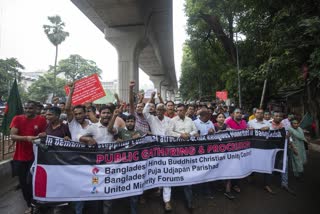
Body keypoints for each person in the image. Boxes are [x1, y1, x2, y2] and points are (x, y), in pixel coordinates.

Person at [10, 100, 47, 214]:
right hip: (20, 157)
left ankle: (37, 203)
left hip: (35, 157)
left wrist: (43, 135)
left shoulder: (41, 120)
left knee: (33, 182)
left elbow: (45, 135)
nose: (27, 110)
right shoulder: (17, 118)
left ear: (36, 109)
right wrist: (26, 138)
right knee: (24, 184)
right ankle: (30, 205)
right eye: (26, 108)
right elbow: (13, 136)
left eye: (30, 108)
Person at [108, 110, 144, 214]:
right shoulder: (121, 131)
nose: (130, 123)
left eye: (132, 121)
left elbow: (148, 140)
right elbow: (110, 129)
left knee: (133, 191)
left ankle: (134, 210)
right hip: (122, 166)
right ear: (125, 122)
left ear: (135, 122)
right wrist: (114, 116)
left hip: (135, 166)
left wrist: (140, 138)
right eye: (128, 121)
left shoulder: (139, 132)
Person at [143, 92, 173, 211]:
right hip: (154, 152)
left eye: (162, 109)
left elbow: (171, 134)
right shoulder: (152, 119)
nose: (160, 111)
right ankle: (154, 191)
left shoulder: (169, 121)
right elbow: (145, 111)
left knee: (167, 174)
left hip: (167, 151)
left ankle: (167, 201)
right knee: (153, 172)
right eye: (158, 109)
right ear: (155, 110)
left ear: (164, 110)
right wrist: (151, 99)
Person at [168, 103, 199, 210]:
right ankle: (171, 199)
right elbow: (169, 132)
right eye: (178, 110)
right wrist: (180, 135)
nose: (179, 112)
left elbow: (195, 130)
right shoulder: (173, 121)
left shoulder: (190, 120)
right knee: (174, 173)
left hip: (188, 151)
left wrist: (189, 134)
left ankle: (189, 202)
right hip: (176, 151)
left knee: (188, 175)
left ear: (185, 111)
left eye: (181, 110)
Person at [248, 108, 274, 194]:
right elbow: (246, 134)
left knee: (267, 164)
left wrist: (269, 128)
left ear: (263, 114)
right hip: (254, 148)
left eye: (261, 113)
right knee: (252, 163)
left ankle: (267, 184)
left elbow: (275, 134)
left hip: (265, 148)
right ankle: (251, 177)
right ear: (255, 114)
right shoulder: (250, 123)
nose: (259, 114)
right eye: (258, 113)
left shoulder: (268, 123)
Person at [270, 112, 295, 195]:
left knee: (285, 164)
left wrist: (290, 142)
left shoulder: (284, 126)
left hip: (282, 150)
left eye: (280, 116)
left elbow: (288, 137)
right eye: (276, 116)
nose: (278, 117)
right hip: (271, 150)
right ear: (273, 117)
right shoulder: (269, 125)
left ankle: (284, 184)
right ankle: (268, 183)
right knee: (271, 165)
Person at [225, 108, 247, 194]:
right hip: (230, 150)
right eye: (237, 113)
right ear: (233, 114)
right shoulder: (228, 122)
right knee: (229, 168)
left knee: (239, 168)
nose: (239, 114)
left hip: (241, 150)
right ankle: (227, 188)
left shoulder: (244, 122)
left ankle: (235, 185)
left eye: (240, 113)